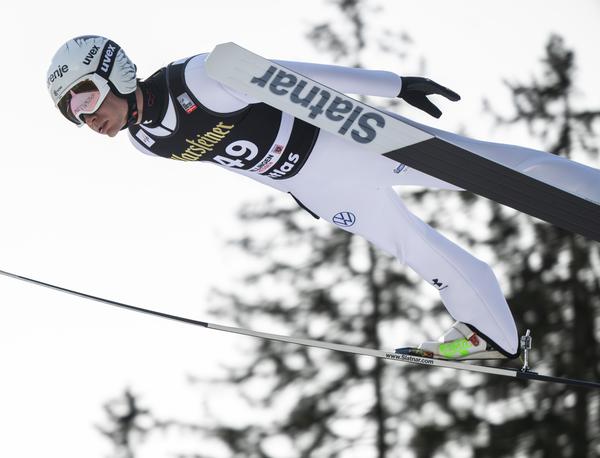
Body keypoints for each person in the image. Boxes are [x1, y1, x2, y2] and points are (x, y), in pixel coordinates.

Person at [46, 35, 600, 361]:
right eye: (73, 112)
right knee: (415, 248)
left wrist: (393, 85)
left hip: (346, 144)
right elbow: (238, 162)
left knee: (489, 167)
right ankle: (491, 334)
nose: (88, 116)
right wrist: (299, 194)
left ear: (116, 72)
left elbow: (293, 76)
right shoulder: (147, 142)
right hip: (318, 186)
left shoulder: (203, 78)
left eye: (88, 96)